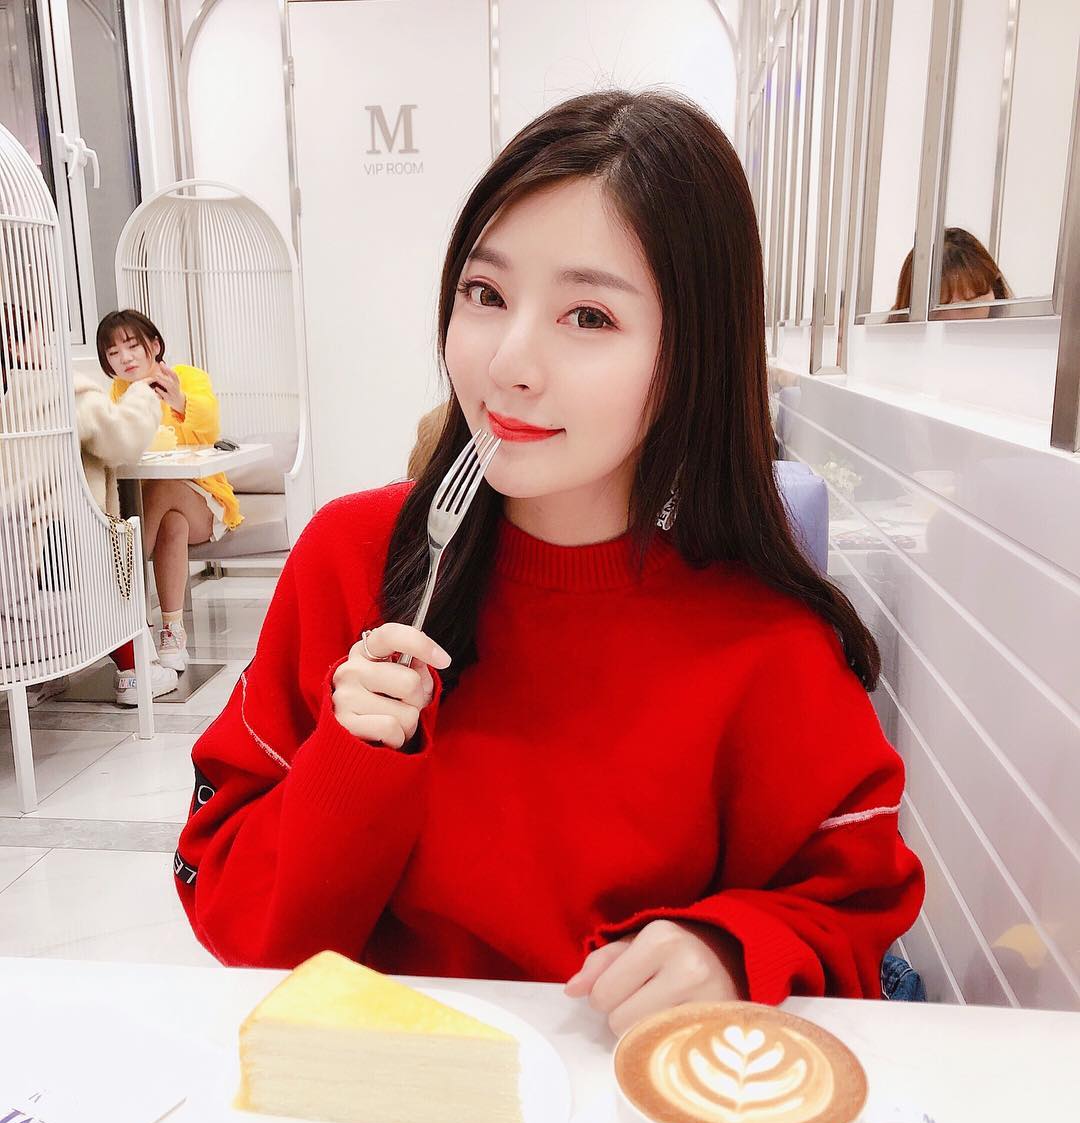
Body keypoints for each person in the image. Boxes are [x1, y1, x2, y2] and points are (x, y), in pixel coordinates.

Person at [175, 90, 925, 1035]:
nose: (509, 364)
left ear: (692, 354)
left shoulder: (769, 644)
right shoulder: (351, 559)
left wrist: (731, 950)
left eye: (589, 316)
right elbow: (238, 926)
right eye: (486, 296)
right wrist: (348, 764)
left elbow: (855, 916)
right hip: (388, 1091)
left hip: (629, 1102)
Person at [0, 302, 179, 705]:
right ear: (16, 345)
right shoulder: (62, 391)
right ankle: (135, 673)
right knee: (115, 550)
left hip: (14, 553)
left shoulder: (9, 399)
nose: (50, 339)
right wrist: (143, 392)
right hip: (57, 544)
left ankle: (40, 676)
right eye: (41, 331)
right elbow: (121, 440)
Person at [97, 310, 244, 675]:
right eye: (113, 352)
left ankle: (123, 608)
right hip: (159, 506)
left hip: (204, 500)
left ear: (155, 345)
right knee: (172, 525)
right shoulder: (119, 394)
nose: (125, 358)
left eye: (132, 346)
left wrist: (179, 401)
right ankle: (172, 632)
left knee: (164, 490)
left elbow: (208, 433)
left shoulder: (188, 377)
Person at [891, 226, 1012, 320]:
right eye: (937, 313)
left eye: (967, 307)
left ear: (995, 291)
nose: (955, 319)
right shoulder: (889, 340)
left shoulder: (1012, 338)